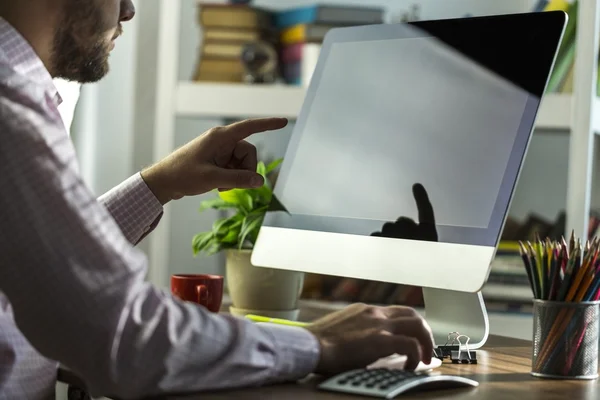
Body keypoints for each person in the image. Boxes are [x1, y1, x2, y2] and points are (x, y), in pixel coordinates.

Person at [0, 1, 434, 399]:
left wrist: (158, 184)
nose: (129, 10)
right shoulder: (10, 109)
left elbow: (43, 259)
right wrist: (319, 342)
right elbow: (126, 338)